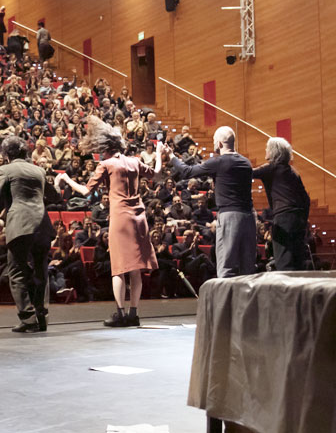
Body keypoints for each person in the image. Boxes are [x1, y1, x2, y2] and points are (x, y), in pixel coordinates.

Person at [57, 116, 163, 327]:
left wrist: (66, 179)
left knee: (119, 267)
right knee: (135, 268)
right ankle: (134, 314)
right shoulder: (133, 161)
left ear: (105, 147)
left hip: (121, 217)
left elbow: (86, 192)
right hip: (139, 217)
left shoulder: (106, 164)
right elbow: (157, 173)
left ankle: (120, 313)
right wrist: (159, 153)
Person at [0, 136, 57, 333]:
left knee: (16, 272)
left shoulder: (4, 170)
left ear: (7, 154)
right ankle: (42, 318)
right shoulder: (39, 170)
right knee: (41, 272)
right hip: (43, 225)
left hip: (20, 226)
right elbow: (56, 196)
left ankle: (28, 317)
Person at [168, 126, 256, 278]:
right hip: (249, 217)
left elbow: (187, 171)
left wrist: (171, 157)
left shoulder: (218, 162)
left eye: (215, 141)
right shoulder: (246, 163)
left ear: (220, 144)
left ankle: (225, 302)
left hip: (229, 216)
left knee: (227, 267)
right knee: (247, 269)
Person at [252, 137, 310, 271]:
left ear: (273, 152)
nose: (265, 150)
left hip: (283, 219)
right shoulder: (293, 172)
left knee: (284, 261)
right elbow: (306, 199)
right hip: (298, 220)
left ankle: (286, 291)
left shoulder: (271, 168)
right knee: (297, 261)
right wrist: (303, 219)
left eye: (267, 148)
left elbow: (249, 173)